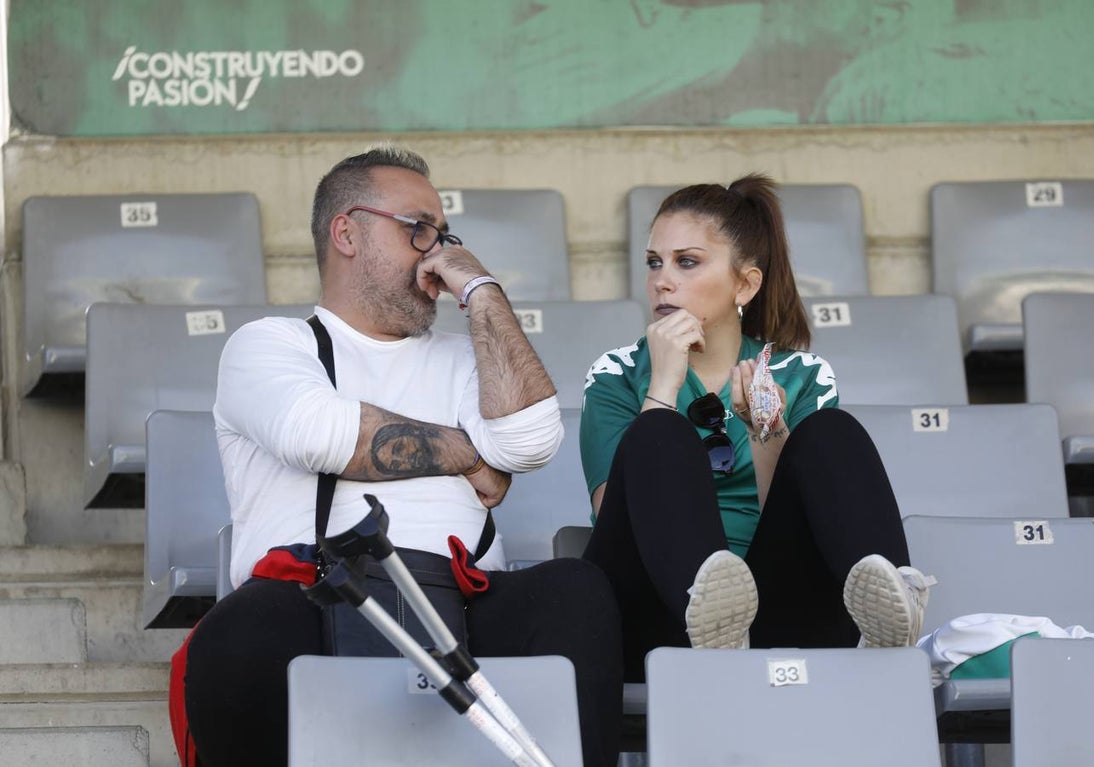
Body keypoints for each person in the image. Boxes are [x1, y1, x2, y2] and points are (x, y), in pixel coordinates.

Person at [178, 146, 622, 766]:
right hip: (315, 594)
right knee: (238, 631)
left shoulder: (470, 356)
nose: (436, 252)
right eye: (418, 230)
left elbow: (529, 442)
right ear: (347, 234)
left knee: (576, 589)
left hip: (465, 597)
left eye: (445, 235)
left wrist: (482, 291)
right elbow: (322, 435)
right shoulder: (272, 343)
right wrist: (469, 455)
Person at [579, 174, 935, 679]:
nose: (662, 279)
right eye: (654, 263)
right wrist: (662, 384)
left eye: (687, 262)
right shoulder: (616, 374)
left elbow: (802, 524)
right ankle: (711, 618)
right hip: (656, 609)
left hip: (771, 607)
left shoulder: (801, 375)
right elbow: (610, 511)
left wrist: (766, 433)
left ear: (745, 283)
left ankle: (892, 609)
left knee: (832, 432)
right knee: (658, 434)